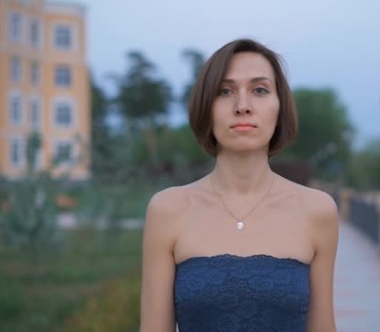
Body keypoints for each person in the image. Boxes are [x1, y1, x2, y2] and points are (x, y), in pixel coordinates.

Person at [140, 38, 339, 332]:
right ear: (206, 107)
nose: (242, 106)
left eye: (259, 90)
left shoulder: (317, 211)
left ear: (279, 107)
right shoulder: (168, 210)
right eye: (225, 91)